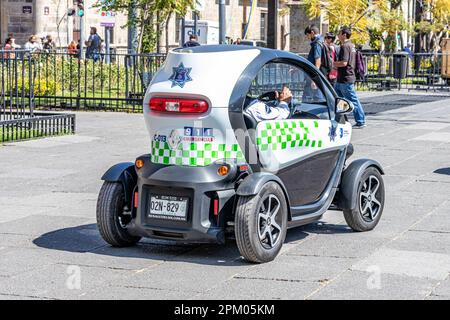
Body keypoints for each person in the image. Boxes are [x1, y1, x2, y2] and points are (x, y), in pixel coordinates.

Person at [333, 26, 366, 129]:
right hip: (344, 77)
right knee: (339, 99)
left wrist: (333, 64)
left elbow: (344, 63)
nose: (338, 35)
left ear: (344, 35)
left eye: (339, 33)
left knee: (352, 100)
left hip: (345, 77)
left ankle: (360, 120)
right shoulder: (351, 46)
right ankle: (341, 119)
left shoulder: (345, 46)